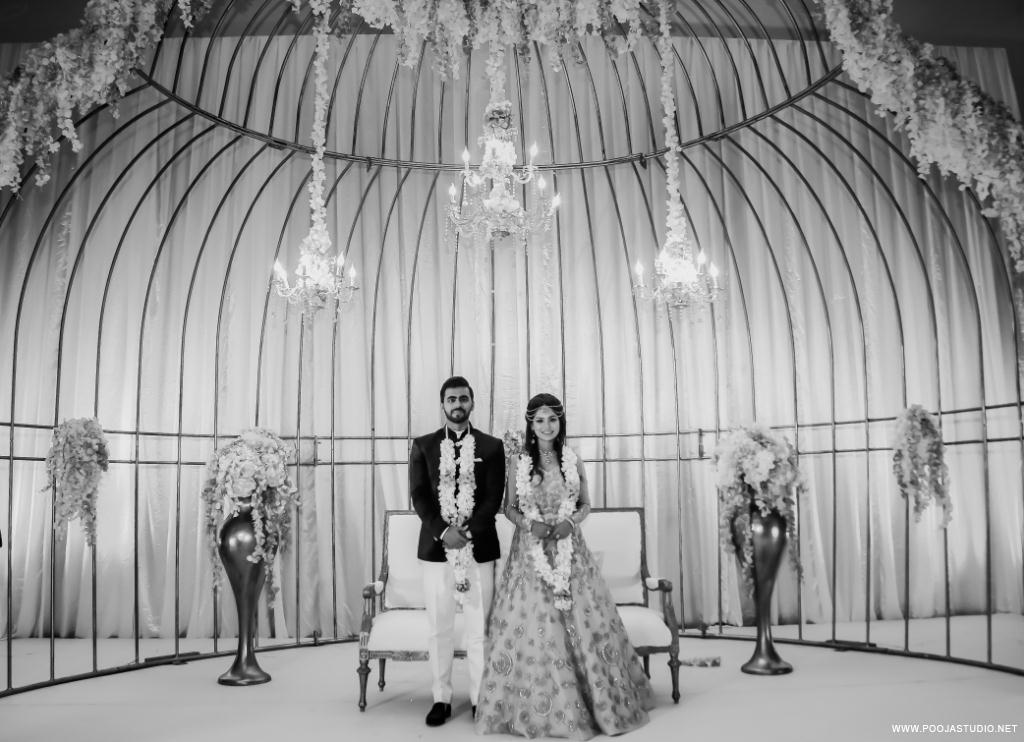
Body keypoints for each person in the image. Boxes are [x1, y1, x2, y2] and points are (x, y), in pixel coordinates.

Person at [475, 393, 655, 739]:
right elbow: (508, 508)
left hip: (571, 552)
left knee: (583, 622)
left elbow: (586, 504)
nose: (547, 426)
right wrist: (529, 524)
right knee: (537, 623)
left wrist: (570, 523)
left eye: (552, 419)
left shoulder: (573, 460)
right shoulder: (518, 463)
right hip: (530, 556)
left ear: (561, 423)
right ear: (530, 425)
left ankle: (596, 703)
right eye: (539, 420)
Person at [409, 376, 506, 727]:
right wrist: (443, 531)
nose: (458, 404)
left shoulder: (492, 447)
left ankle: (481, 699)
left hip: (479, 549)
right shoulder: (423, 445)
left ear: (472, 403)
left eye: (463, 398)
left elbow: (493, 498)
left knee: (479, 629)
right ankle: (442, 698)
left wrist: (466, 533)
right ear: (443, 405)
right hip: (437, 551)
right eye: (451, 399)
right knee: (440, 628)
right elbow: (419, 495)